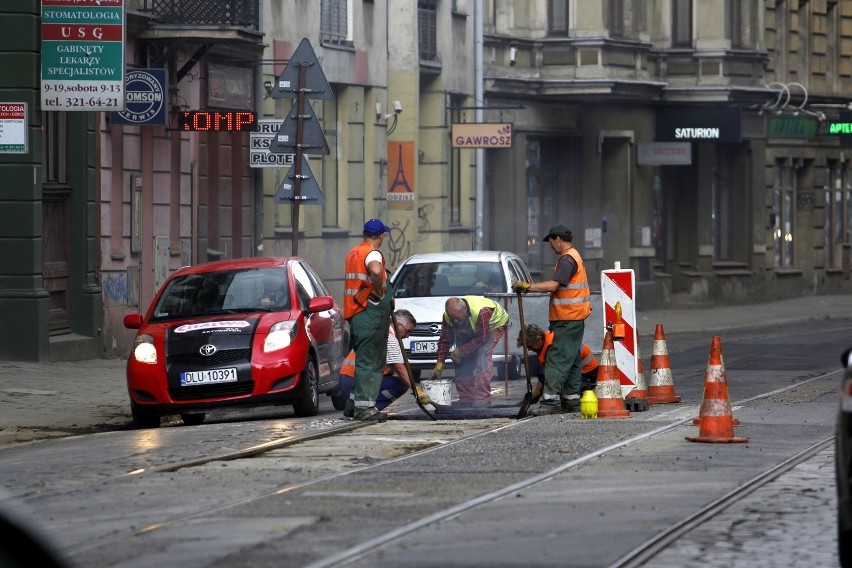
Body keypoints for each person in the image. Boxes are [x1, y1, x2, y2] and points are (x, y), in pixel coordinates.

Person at [512, 224, 591, 414]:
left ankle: (550, 403)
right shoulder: (575, 257)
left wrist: (527, 287)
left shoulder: (567, 260)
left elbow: (554, 285)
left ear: (558, 238)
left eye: (551, 241)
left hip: (567, 319)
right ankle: (571, 401)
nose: (550, 246)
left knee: (555, 360)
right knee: (571, 361)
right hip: (574, 319)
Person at [342, 218, 394, 421]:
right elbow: (375, 270)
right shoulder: (372, 254)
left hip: (357, 314)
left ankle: (353, 405)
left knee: (364, 360)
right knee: (370, 362)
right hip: (369, 316)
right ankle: (365, 409)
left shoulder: (354, 252)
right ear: (381, 236)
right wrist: (379, 288)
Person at [337, 309, 434, 412]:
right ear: (398, 325)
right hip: (354, 381)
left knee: (392, 380)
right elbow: (399, 368)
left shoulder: (379, 331)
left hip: (348, 380)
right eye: (407, 331)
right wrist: (416, 389)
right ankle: (369, 408)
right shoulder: (389, 337)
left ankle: (361, 406)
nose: (407, 336)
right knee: (401, 384)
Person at [427, 296, 509, 407]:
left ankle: (482, 399)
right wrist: (439, 364)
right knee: (460, 358)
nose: (456, 321)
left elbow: (482, 339)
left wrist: (461, 350)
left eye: (458, 318)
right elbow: (445, 339)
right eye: (453, 319)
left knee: (482, 354)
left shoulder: (481, 311)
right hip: (475, 326)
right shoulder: (449, 316)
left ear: (465, 309)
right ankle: (466, 399)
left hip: (494, 325)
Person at [516, 323, 598, 403]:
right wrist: (536, 393)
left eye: (530, 346)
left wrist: (538, 392)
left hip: (588, 375)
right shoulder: (546, 342)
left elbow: (553, 373)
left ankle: (558, 400)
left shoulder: (552, 346)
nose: (529, 349)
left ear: (538, 340)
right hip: (579, 371)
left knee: (544, 372)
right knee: (544, 371)